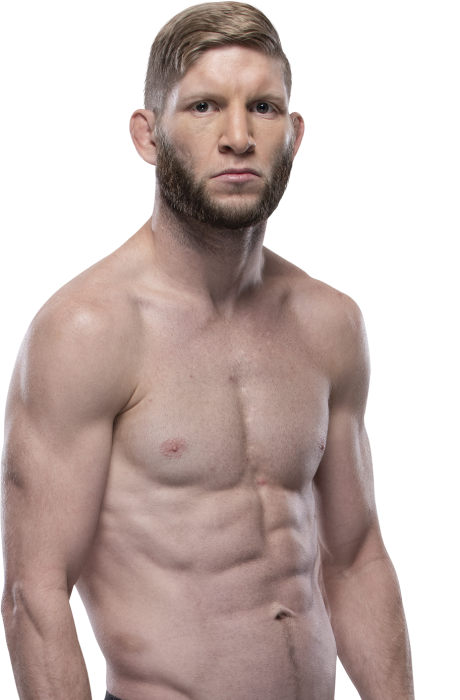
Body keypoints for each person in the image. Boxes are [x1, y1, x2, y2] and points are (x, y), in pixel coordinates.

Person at [0, 2, 415, 699]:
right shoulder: (89, 329)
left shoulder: (329, 321)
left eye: (263, 107)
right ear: (147, 136)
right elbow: (35, 596)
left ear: (294, 134)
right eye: (203, 107)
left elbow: (355, 558)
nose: (238, 137)